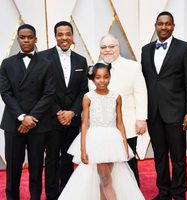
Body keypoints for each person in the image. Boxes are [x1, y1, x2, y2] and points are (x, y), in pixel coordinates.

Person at [58, 63, 145, 200]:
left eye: (105, 77)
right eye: (98, 77)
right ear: (93, 79)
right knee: (105, 178)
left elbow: (120, 123)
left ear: (110, 78)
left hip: (112, 141)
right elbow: (85, 123)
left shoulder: (116, 97)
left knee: (104, 179)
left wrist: (124, 146)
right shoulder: (88, 97)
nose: (102, 81)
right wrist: (82, 149)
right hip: (95, 141)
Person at [141, 11, 187, 200]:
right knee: (159, 156)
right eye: (160, 24)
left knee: (179, 158)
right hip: (153, 112)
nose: (163, 27)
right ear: (155, 26)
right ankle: (163, 192)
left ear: (173, 26)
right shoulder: (145, 50)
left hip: (176, 112)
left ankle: (179, 193)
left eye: (167, 24)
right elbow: (144, 82)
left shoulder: (185, 48)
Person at [0, 24, 55, 200]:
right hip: (13, 123)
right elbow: (5, 92)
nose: (26, 40)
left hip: (38, 124)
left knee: (37, 168)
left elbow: (49, 93)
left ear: (35, 39)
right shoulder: (7, 63)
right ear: (18, 40)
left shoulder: (47, 64)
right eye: (22, 37)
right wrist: (23, 117)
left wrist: (32, 118)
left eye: (29, 37)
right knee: (13, 168)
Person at [39, 21, 88, 199]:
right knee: (51, 158)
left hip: (72, 120)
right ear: (55, 36)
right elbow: (42, 89)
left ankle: (67, 193)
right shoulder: (43, 57)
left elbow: (83, 90)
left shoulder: (81, 60)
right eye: (60, 34)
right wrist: (58, 112)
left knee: (68, 159)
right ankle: (52, 195)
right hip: (51, 119)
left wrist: (72, 112)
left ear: (72, 36)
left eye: (68, 34)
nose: (64, 37)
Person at [97, 33, 147, 187]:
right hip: (102, 127)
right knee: (106, 165)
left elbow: (141, 93)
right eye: (104, 47)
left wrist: (141, 119)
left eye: (111, 46)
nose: (107, 50)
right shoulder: (94, 68)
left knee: (128, 162)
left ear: (118, 48)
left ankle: (133, 194)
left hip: (127, 125)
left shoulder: (133, 66)